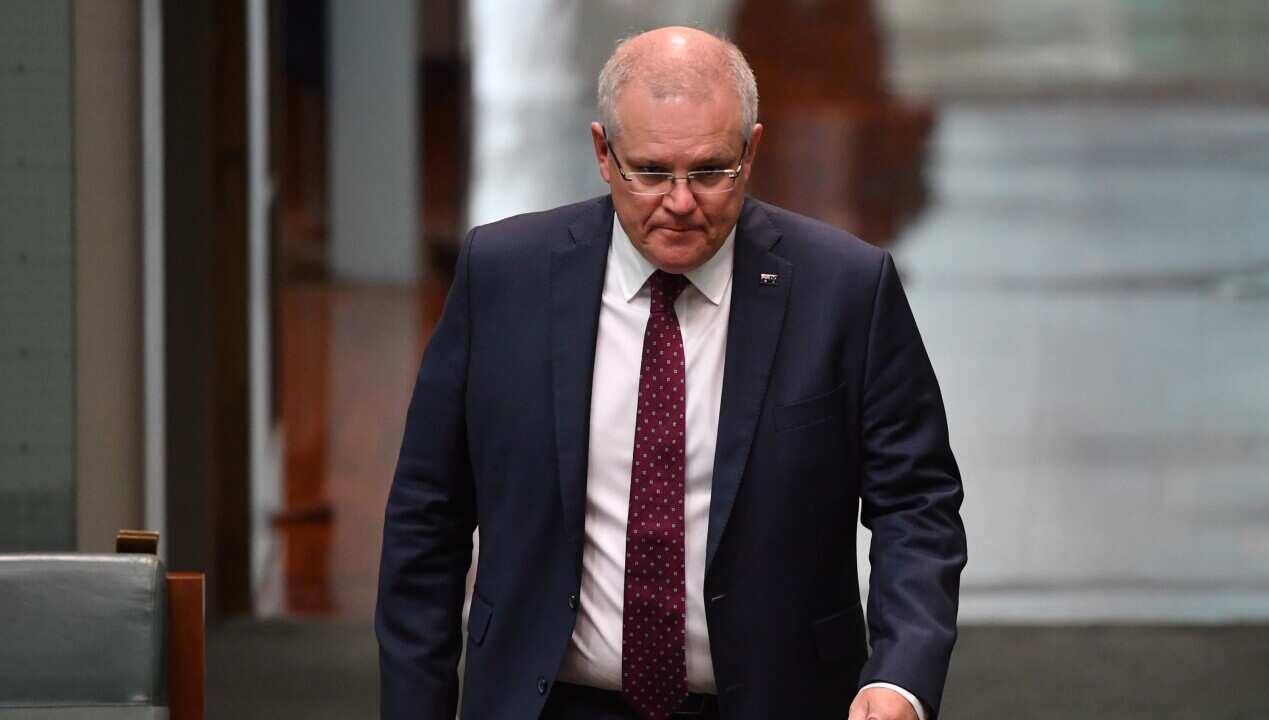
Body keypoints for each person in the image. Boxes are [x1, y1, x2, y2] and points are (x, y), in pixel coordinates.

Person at [376, 26, 965, 720]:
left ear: (751, 152)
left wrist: (899, 675)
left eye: (711, 171)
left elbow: (916, 505)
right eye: (652, 171)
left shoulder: (845, 291)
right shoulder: (504, 278)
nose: (681, 201)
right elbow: (428, 517)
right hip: (549, 705)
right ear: (603, 152)